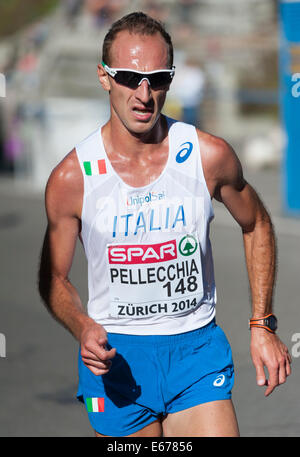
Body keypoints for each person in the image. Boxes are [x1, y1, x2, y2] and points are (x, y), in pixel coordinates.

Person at [38, 12, 291, 437]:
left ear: (170, 81)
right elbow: (53, 277)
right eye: (128, 77)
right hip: (118, 359)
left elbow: (257, 224)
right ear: (104, 77)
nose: (143, 94)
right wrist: (82, 327)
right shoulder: (72, 178)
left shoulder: (206, 156)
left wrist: (262, 323)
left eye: (156, 78)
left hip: (195, 351)